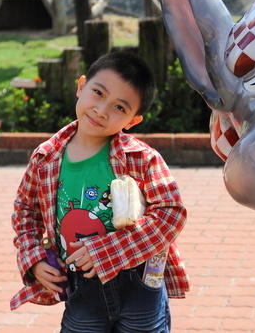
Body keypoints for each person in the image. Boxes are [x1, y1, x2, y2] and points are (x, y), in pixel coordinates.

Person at [10, 51, 190, 333]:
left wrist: (108, 251)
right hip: (81, 286)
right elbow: (24, 210)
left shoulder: (141, 158)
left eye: (120, 107)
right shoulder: (46, 157)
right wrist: (34, 258)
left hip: (139, 283)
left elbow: (171, 214)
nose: (102, 110)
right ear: (81, 86)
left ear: (133, 121)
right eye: (98, 93)